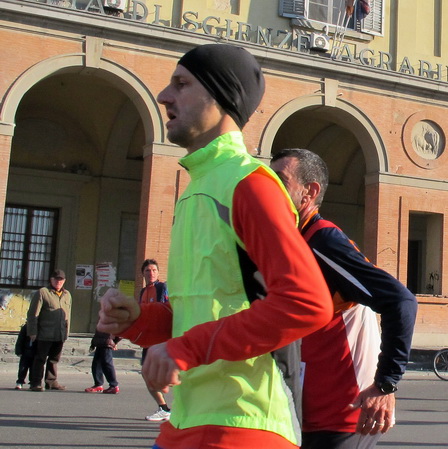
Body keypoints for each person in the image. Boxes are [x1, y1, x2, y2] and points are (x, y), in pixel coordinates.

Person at [97, 43, 333, 449]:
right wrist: (137, 320)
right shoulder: (196, 189)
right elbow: (199, 311)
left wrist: (185, 349)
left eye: (181, 84)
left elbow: (306, 302)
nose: (164, 96)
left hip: (243, 424)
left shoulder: (251, 184)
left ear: (222, 98)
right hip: (186, 422)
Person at [270, 148, 418, 449]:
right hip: (303, 410)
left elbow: (401, 301)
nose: (270, 189)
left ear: (309, 192)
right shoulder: (291, 241)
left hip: (342, 413)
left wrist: (385, 385)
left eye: (280, 181)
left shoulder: (323, 240)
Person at [26, 269, 72, 391]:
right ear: (51, 280)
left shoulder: (67, 294)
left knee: (54, 359)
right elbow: (33, 314)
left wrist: (66, 332)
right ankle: (35, 382)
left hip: (59, 334)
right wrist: (32, 332)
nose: (58, 282)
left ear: (64, 281)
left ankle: (51, 381)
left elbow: (68, 315)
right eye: (56, 279)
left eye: (61, 280)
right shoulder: (43, 292)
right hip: (44, 333)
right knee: (40, 359)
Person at [137, 259, 171, 421]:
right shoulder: (143, 291)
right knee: (146, 374)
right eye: (147, 271)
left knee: (165, 375)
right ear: (142, 273)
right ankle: (163, 408)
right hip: (148, 341)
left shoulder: (162, 288)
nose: (151, 273)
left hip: (161, 340)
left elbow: (166, 311)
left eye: (154, 270)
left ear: (158, 272)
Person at [84, 329, 121, 394]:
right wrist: (94, 342)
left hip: (106, 342)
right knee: (96, 364)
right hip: (101, 342)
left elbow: (121, 331)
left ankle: (114, 385)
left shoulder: (113, 321)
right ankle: (98, 384)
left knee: (107, 364)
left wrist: (115, 342)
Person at [14, 323, 36, 390]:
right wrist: (18, 351)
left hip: (36, 352)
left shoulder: (41, 327)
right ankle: (20, 382)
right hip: (25, 351)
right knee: (23, 368)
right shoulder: (26, 327)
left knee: (34, 369)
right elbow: (20, 340)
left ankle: (32, 383)